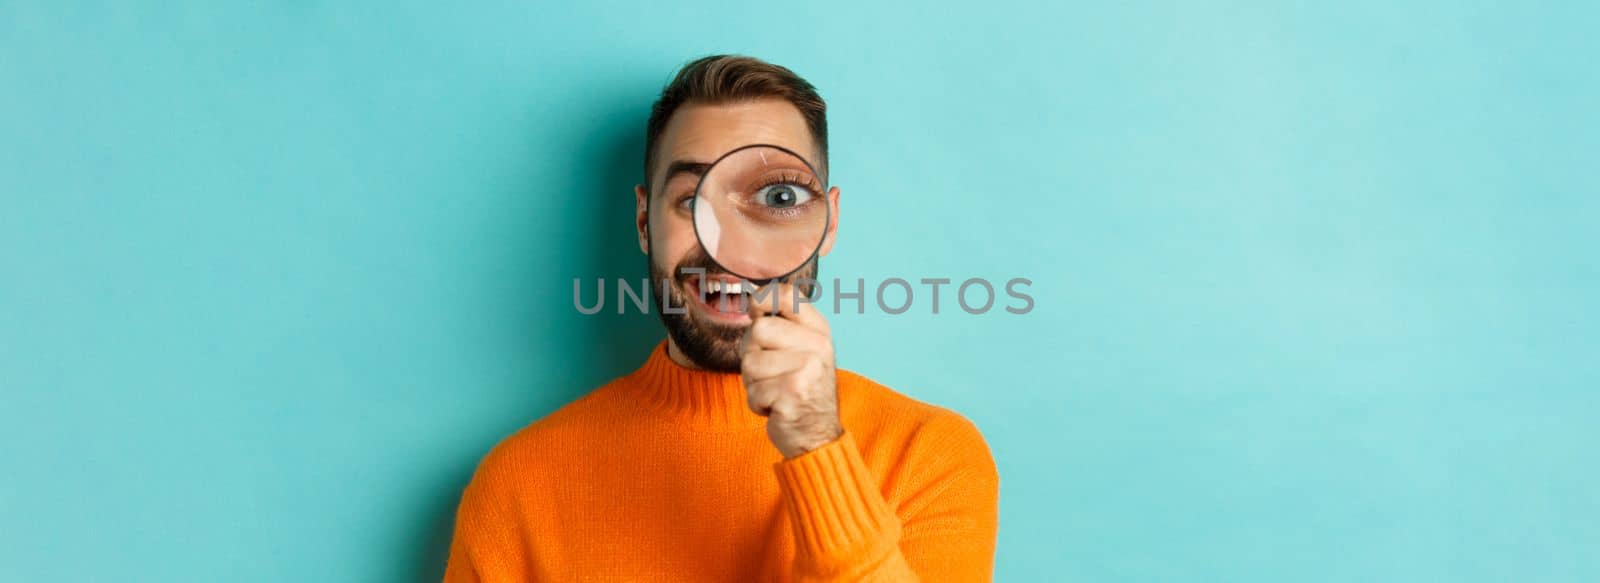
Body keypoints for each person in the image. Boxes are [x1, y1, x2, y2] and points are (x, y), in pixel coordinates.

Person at [442, 55, 999, 582]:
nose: (729, 247)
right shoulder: (518, 483)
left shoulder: (928, 456)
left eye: (780, 197)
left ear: (828, 225)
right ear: (643, 221)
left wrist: (818, 450)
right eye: (691, 201)